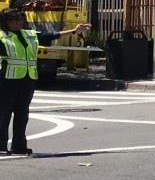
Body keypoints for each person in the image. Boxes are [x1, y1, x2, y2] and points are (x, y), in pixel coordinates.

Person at [1, 8, 90, 155]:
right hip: (6, 81)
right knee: (3, 115)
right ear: (6, 23)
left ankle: (19, 146)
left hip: (27, 80)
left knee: (22, 115)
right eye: (14, 20)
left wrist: (74, 31)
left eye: (19, 20)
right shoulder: (2, 36)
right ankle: (1, 146)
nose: (18, 23)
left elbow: (51, 36)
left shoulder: (29, 34)